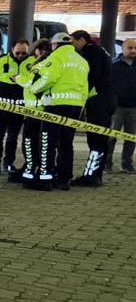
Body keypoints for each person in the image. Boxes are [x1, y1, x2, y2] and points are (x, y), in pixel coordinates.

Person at [26, 32, 89, 190]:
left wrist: (33, 88)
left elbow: (49, 79)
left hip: (55, 104)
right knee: (66, 142)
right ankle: (64, 179)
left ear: (55, 45)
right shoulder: (82, 61)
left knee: (47, 142)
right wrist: (81, 106)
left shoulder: (55, 58)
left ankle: (45, 179)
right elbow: (85, 87)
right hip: (75, 106)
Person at [69, 30, 115, 186]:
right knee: (99, 138)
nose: (72, 45)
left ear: (82, 40)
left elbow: (90, 77)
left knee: (96, 139)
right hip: (106, 97)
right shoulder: (101, 51)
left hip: (98, 99)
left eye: (73, 41)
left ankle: (92, 176)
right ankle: (94, 175)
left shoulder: (90, 52)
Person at [0, 39, 34, 175]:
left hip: (19, 106)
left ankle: (9, 163)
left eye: (24, 53)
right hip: (1, 105)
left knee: (13, 137)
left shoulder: (32, 62)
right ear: (12, 49)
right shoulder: (1, 60)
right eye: (18, 53)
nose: (20, 56)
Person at [15, 39, 54, 189]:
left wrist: (17, 78)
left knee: (30, 143)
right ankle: (37, 173)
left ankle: (30, 174)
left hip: (36, 111)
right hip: (42, 110)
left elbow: (30, 84)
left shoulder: (41, 66)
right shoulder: (51, 64)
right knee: (44, 145)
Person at [108, 37, 136, 173]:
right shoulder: (114, 65)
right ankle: (106, 163)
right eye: (130, 48)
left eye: (135, 48)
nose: (133, 50)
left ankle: (127, 164)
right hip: (117, 107)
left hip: (134, 108)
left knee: (131, 137)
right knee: (111, 137)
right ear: (123, 49)